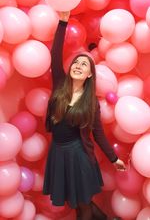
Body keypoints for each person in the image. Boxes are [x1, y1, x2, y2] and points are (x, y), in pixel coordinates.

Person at [43, 11, 126, 220]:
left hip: (79, 154)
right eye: (76, 63)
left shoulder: (91, 103)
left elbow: (98, 134)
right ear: (71, 69)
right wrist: (63, 23)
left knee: (83, 205)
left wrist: (113, 158)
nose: (79, 66)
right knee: (79, 202)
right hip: (59, 153)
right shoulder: (60, 86)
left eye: (84, 65)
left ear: (89, 74)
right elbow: (55, 55)